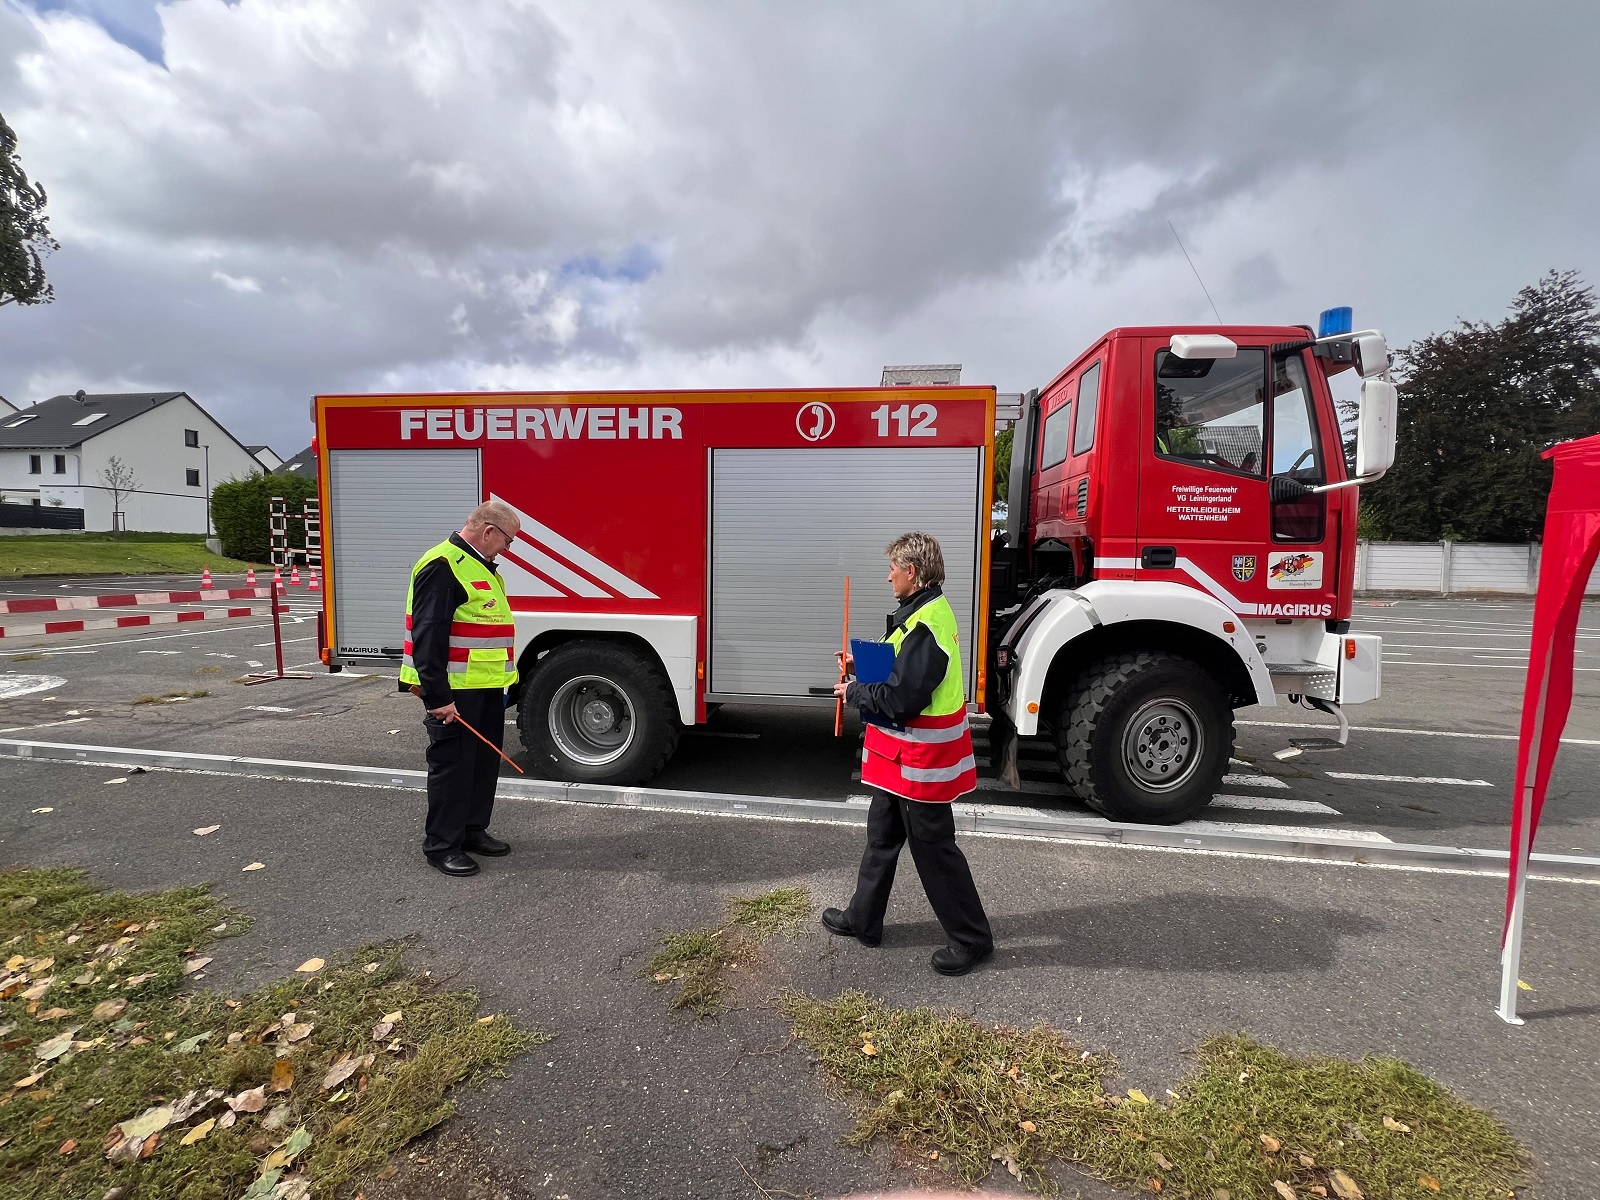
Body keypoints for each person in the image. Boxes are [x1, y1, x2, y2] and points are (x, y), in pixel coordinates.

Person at [824, 532, 994, 976]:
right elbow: (901, 668)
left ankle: (971, 939)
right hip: (898, 763)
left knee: (934, 851)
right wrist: (860, 667)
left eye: (893, 569)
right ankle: (864, 919)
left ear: (912, 573)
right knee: (881, 839)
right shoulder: (921, 613)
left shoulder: (926, 624)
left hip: (921, 765)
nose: (888, 576)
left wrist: (855, 691)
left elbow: (903, 696)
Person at [398, 500, 521, 877]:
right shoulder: (443, 565)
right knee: (453, 768)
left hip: (483, 689)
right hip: (454, 692)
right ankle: (441, 845)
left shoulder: (481, 567)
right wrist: (438, 698)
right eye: (507, 540)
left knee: (482, 766)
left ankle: (471, 831)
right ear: (488, 532)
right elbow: (428, 636)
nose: (508, 549)